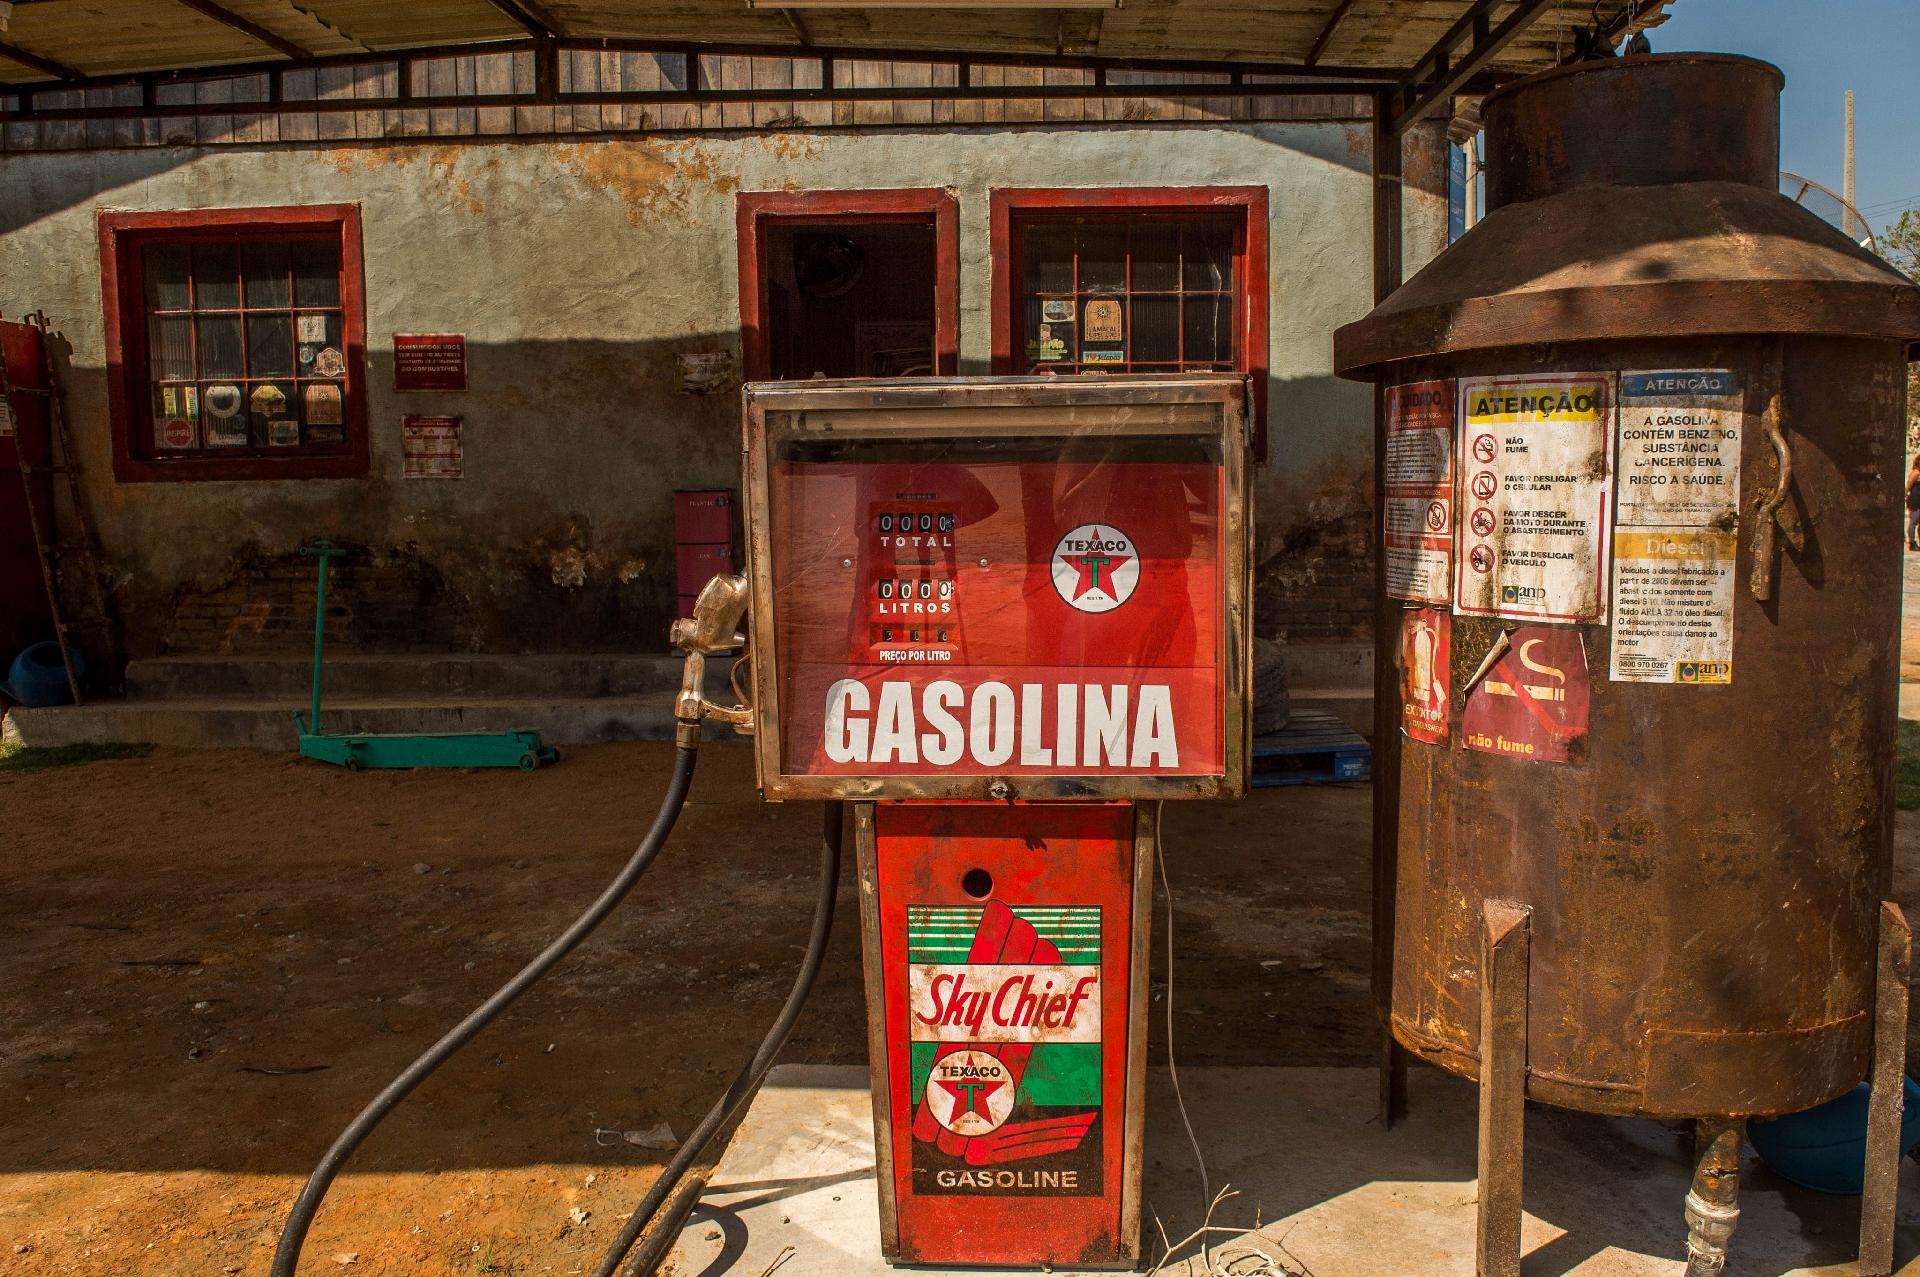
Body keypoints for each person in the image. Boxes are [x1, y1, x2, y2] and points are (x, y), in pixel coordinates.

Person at [1907, 457, 1920, 551]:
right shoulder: (1916, 473)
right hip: (1915, 500)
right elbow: (1908, 486)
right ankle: (1912, 542)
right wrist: (1903, 496)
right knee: (1913, 521)